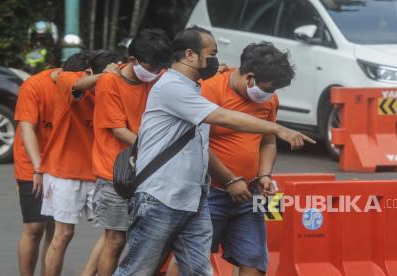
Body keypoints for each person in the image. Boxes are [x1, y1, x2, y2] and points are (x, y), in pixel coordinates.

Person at [114, 25, 314, 276]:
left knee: (199, 270)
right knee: (136, 271)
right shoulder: (172, 88)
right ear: (190, 55)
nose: (216, 61)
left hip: (192, 198)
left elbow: (201, 142)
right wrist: (278, 129)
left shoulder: (193, 87)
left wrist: (263, 172)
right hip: (160, 197)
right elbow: (222, 117)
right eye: (211, 54)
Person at [204, 42, 294, 275]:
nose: (270, 95)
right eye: (269, 88)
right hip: (208, 192)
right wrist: (229, 180)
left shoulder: (268, 100)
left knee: (253, 261)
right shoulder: (210, 90)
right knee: (191, 259)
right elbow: (197, 145)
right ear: (250, 78)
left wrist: (264, 175)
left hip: (249, 193)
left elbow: (268, 140)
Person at [89, 29, 171, 276]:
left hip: (148, 173)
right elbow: (118, 130)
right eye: (151, 66)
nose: (155, 72)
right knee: (115, 241)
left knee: (148, 240)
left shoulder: (158, 77)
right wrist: (158, 148)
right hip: (115, 174)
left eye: (159, 67)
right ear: (132, 59)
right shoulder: (110, 81)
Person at [38, 51, 122, 276]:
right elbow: (72, 82)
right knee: (63, 234)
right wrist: (105, 76)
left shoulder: (115, 88)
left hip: (99, 172)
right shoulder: (68, 78)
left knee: (112, 234)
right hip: (65, 171)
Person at [13, 52, 96, 276]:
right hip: (33, 160)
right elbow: (26, 127)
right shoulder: (35, 85)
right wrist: (39, 167)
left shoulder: (87, 89)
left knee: (56, 228)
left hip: (62, 161)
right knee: (34, 227)